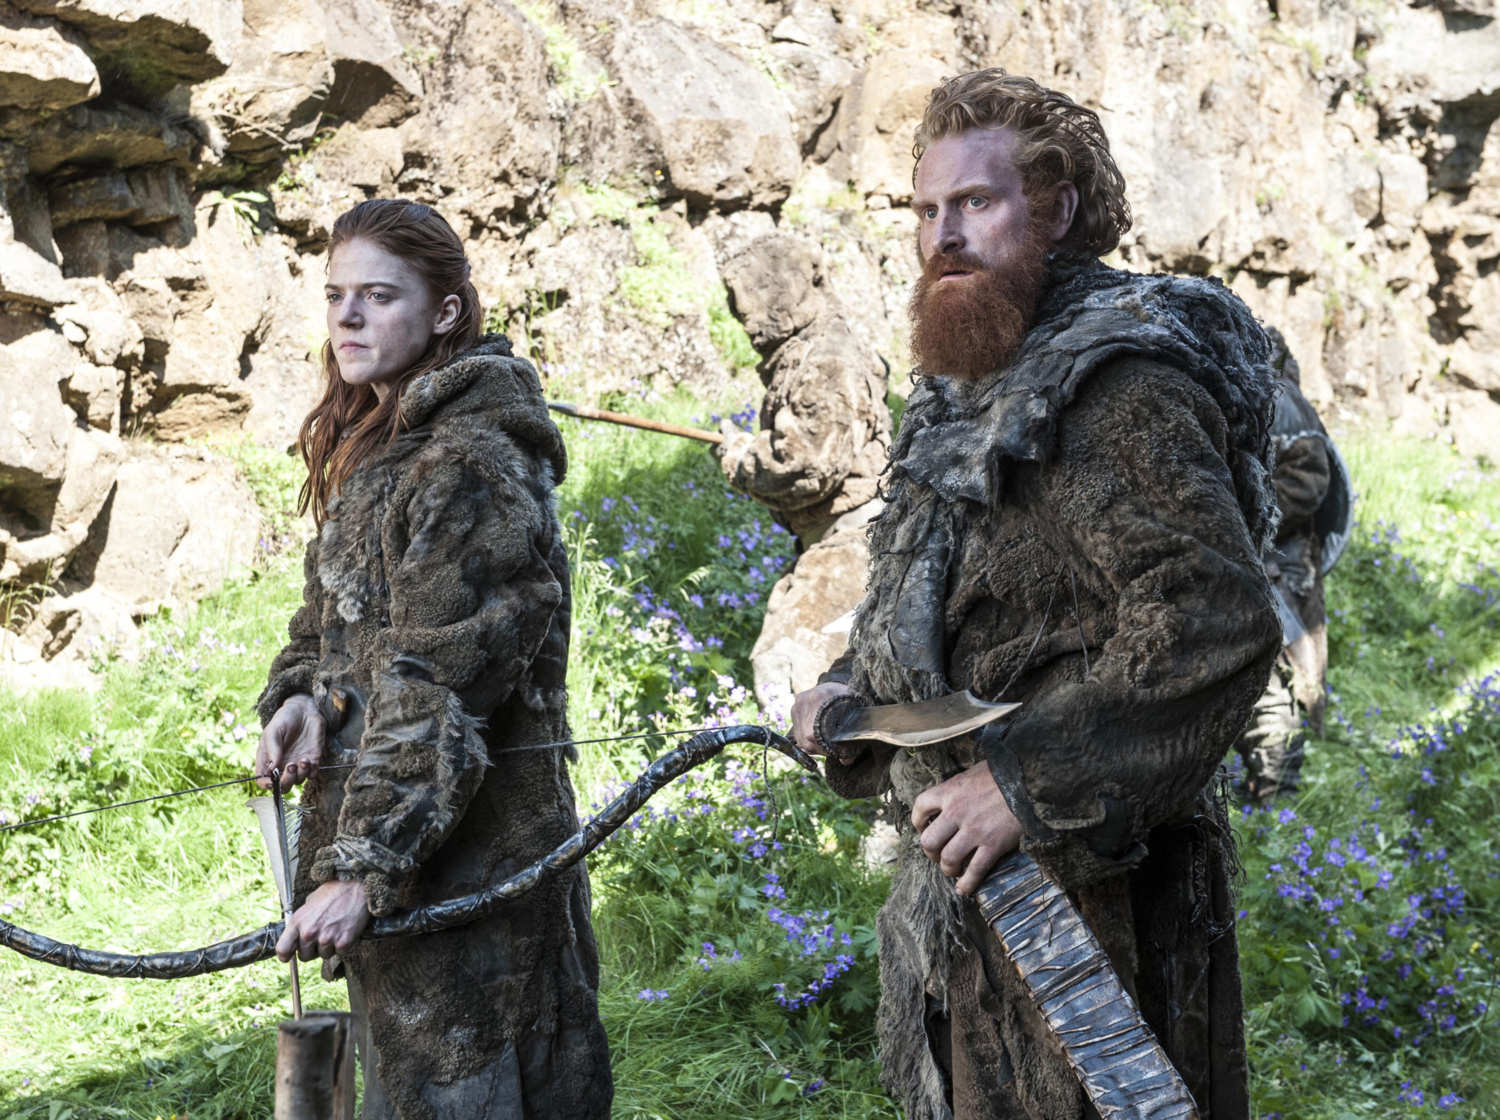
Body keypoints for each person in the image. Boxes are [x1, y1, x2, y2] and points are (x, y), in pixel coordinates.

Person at [791, 70, 1282, 1119]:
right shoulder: (972, 383)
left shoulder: (1116, 386)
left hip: (1095, 892)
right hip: (984, 883)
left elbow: (1216, 617)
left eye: (977, 202)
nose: (943, 236)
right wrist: (853, 695)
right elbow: (958, 596)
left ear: (1056, 213)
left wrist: (1022, 782)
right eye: (927, 209)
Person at [254, 198, 612, 1119]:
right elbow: (335, 626)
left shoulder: (469, 464)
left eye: (379, 296)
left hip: (475, 879)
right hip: (403, 864)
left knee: (475, 1095)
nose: (347, 317)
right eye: (336, 295)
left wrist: (359, 868)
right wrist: (304, 700)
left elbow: (439, 683)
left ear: (446, 311)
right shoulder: (386, 446)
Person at [713, 231, 891, 712]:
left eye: (759, 289)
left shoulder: (829, 360)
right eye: (737, 297)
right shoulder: (806, 354)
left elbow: (807, 463)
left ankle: (819, 757)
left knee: (795, 672)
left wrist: (742, 459)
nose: (744, 310)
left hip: (854, 545)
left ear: (798, 282)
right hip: (832, 541)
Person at [1233, 327, 1353, 803]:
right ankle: (1262, 793)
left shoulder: (1280, 401)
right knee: (1250, 674)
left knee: (1280, 682)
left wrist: (1241, 511)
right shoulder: (1251, 396)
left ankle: (1278, 800)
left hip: (1284, 568)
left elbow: (1308, 483)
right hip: (1257, 562)